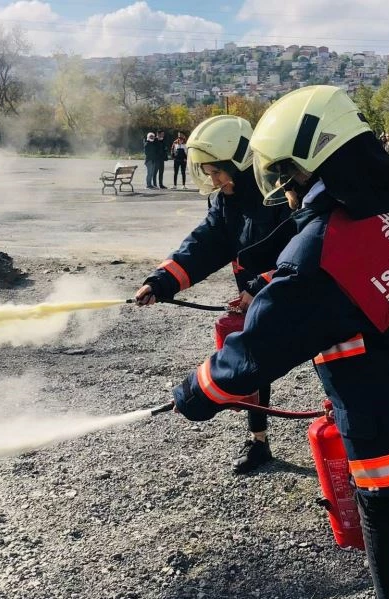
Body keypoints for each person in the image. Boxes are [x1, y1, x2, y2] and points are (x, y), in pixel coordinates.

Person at [173, 85, 389, 599]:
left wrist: (193, 394)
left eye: (287, 176)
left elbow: (258, 350)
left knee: (378, 507)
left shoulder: (322, 253)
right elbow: (352, 290)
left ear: (311, 170)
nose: (285, 190)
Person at [134, 115, 291, 473]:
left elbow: (304, 251)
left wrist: (262, 284)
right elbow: (205, 244)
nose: (214, 181)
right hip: (257, 295)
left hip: (300, 294)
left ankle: (355, 449)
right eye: (208, 173)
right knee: (253, 364)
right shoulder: (227, 201)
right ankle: (259, 442)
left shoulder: (281, 194)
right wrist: (161, 281)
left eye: (218, 172)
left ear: (240, 163)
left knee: (333, 369)